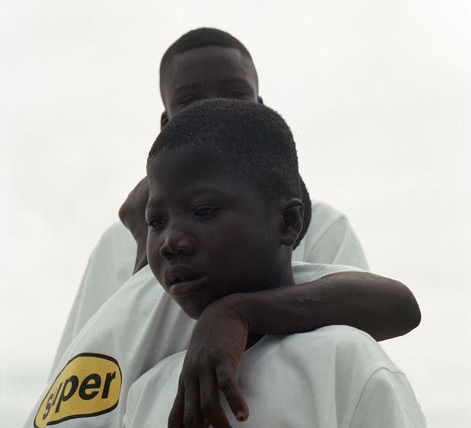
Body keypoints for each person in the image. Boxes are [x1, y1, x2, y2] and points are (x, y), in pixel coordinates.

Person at [102, 99, 470, 428]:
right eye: (156, 221)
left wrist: (236, 310)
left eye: (203, 211)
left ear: (288, 222)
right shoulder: (146, 396)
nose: (171, 242)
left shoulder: (342, 361)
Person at [51, 26, 381, 372]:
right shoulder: (117, 240)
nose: (214, 107)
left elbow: (370, 320)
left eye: (234, 93)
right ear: (166, 123)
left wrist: (238, 313)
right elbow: (81, 367)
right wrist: (142, 247)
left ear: (260, 107)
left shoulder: (321, 223)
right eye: (191, 100)